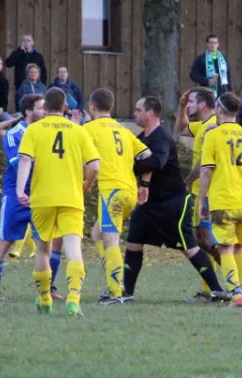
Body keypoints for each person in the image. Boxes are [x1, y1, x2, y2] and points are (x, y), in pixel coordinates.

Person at [122, 96, 229, 303]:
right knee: (133, 240)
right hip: (150, 204)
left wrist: (130, 168)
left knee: (189, 247)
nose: (134, 114)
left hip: (173, 204)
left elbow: (156, 162)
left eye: (138, 110)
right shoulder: (142, 138)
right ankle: (127, 292)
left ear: (150, 113)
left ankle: (217, 290)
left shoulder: (161, 138)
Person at [17, 87, 100, 316]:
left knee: (43, 250)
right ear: (65, 107)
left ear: (44, 107)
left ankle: (44, 299)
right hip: (71, 198)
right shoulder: (78, 130)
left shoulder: (33, 130)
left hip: (42, 198)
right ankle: (73, 299)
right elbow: (95, 166)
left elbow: (24, 160)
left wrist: (19, 190)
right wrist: (87, 184)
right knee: (73, 249)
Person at [83, 88, 152, 304]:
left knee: (111, 240)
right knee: (97, 235)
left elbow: (84, 161)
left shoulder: (88, 129)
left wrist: (84, 181)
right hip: (129, 192)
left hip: (111, 191)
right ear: (111, 107)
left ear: (92, 106)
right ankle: (116, 281)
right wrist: (144, 185)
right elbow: (147, 155)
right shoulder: (124, 130)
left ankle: (115, 292)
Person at [199, 92, 242, 308]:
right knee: (240, 248)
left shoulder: (213, 135)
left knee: (225, 248)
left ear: (218, 110)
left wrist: (201, 200)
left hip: (222, 200)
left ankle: (235, 293)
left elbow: (206, 171)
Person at [0, 94, 46, 301]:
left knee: (47, 243)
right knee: (5, 242)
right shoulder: (14, 135)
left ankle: (48, 290)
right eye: (41, 108)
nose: (45, 111)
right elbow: (19, 164)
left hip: (40, 195)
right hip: (15, 196)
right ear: (29, 111)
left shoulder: (44, 133)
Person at [175, 87, 222, 302]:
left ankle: (237, 275)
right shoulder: (202, 125)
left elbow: (204, 162)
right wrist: (182, 105)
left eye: (193, 101)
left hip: (209, 192)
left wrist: (186, 181)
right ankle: (211, 290)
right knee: (202, 239)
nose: (190, 104)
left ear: (203, 104)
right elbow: (181, 129)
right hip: (200, 191)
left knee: (203, 240)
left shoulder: (212, 127)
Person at [5, 35, 47, 111]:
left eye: (28, 40)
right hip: (20, 85)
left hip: (37, 86)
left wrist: (42, 84)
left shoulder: (38, 56)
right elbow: (8, 63)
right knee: (21, 108)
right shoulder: (18, 53)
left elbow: (43, 71)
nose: (26, 42)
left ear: (32, 43)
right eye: (24, 40)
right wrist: (19, 51)